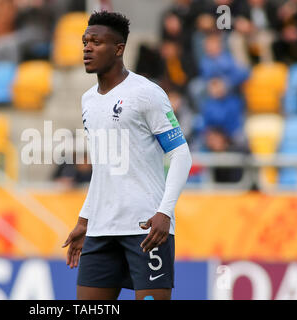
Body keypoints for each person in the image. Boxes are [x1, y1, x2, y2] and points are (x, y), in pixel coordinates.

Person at [62, 11, 192, 300]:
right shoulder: (88, 100)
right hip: (100, 230)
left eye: (96, 41)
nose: (87, 47)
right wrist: (84, 221)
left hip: (146, 228)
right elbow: (104, 168)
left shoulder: (147, 93)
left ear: (118, 48)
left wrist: (165, 212)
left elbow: (181, 154)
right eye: (85, 41)